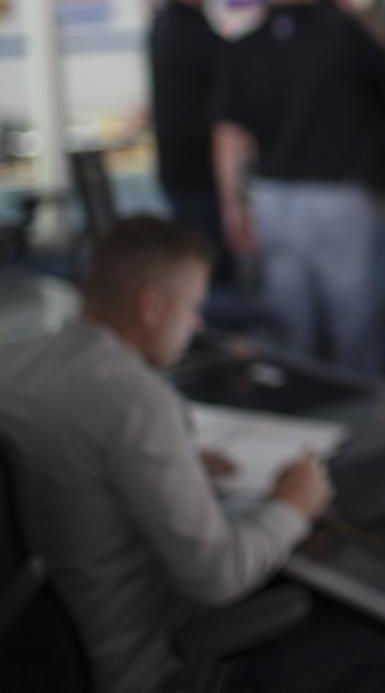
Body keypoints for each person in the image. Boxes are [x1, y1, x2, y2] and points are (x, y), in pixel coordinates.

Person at [0, 216, 331, 693]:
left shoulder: (16, 364)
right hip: (146, 669)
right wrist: (293, 504)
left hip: (36, 660)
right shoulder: (131, 397)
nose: (197, 324)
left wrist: (179, 464)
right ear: (152, 306)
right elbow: (217, 575)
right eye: (193, 306)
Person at [214, 0, 385, 372]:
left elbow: (229, 136)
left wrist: (233, 208)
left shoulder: (245, 42)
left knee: (287, 332)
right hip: (337, 200)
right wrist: (356, 9)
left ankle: (297, 423)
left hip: (272, 201)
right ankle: (360, 433)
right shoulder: (345, 32)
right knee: (354, 331)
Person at [147, 0, 230, 274]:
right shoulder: (186, 32)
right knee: (210, 276)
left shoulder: (172, 23)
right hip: (198, 181)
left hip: (187, 176)